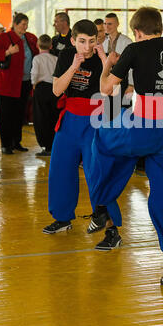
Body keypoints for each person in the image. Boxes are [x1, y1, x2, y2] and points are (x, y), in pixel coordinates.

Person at [89, 7, 163, 288]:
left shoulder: (134, 49)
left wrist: (107, 63)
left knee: (102, 138)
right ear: (160, 26)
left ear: (136, 31)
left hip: (142, 125)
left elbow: (107, 90)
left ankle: (101, 205)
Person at [42, 19, 107, 234]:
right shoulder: (66, 55)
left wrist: (106, 62)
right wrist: (73, 67)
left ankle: (103, 218)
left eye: (91, 41)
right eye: (81, 41)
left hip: (94, 119)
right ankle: (62, 218)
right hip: (70, 119)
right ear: (73, 40)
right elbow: (56, 90)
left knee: (95, 171)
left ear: (97, 40)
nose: (87, 47)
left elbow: (110, 93)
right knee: (60, 169)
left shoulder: (100, 59)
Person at [0, 12, 38, 154]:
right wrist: (7, 52)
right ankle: (6, 144)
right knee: (6, 114)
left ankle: (16, 142)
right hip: (7, 83)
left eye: (27, 24)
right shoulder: (3, 37)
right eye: (22, 24)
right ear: (15, 24)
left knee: (19, 114)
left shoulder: (29, 38)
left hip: (24, 82)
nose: (25, 27)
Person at [31, 34, 59, 156]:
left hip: (41, 88)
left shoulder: (37, 58)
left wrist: (33, 84)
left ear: (37, 45)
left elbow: (34, 74)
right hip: (54, 89)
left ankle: (46, 146)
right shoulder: (55, 58)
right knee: (54, 117)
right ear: (51, 45)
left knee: (41, 118)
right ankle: (54, 144)